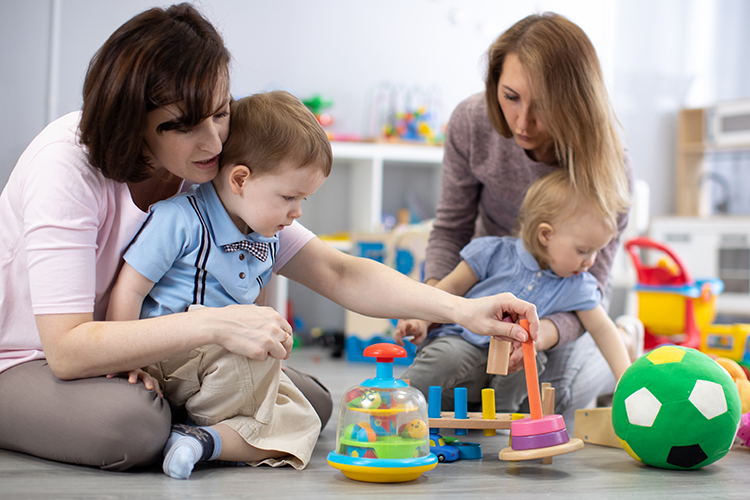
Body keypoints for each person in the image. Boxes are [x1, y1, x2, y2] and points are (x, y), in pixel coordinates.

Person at [0, 3, 539, 474]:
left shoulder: (208, 169)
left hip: (151, 353)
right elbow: (67, 350)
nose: (214, 140)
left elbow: (338, 270)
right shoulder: (67, 166)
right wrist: (218, 322)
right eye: (186, 124)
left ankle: (203, 432)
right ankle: (196, 429)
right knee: (133, 427)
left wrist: (464, 310)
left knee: (313, 400)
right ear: (134, 121)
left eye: (220, 112)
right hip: (29, 359)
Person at [398, 12, 643, 425]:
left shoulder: (610, 170)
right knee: (447, 375)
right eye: (510, 96)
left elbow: (590, 292)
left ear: (576, 104)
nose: (523, 122)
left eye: (543, 106)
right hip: (485, 295)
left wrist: (539, 334)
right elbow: (450, 230)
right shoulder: (472, 122)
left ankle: (625, 338)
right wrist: (435, 307)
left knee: (551, 404)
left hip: (555, 314)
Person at [106, 91, 331, 479]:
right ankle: (228, 434)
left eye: (303, 200)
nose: (296, 214)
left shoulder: (267, 235)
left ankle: (200, 441)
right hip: (173, 353)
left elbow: (254, 310)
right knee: (259, 380)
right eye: (290, 197)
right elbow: (130, 290)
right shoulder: (180, 219)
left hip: (222, 362)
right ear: (240, 179)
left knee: (306, 416)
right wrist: (129, 362)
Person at [396, 170, 632, 413]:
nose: (591, 261)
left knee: (533, 361)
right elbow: (450, 288)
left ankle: (501, 423)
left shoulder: (578, 284)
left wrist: (626, 382)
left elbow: (603, 329)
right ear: (546, 235)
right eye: (583, 250)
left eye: (597, 252)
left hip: (511, 363)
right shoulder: (493, 252)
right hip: (461, 341)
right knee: (445, 359)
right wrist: (421, 320)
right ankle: (393, 407)